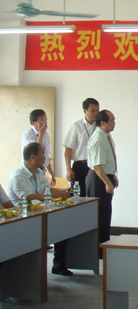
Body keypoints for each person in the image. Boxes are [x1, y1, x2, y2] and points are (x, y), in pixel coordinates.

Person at [7, 142, 72, 275]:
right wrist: (59, 194)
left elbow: (47, 190)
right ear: (32, 157)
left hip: (39, 214)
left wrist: (64, 191)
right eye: (42, 154)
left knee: (62, 227)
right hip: (22, 219)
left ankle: (59, 265)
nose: (45, 158)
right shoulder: (18, 176)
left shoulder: (39, 172)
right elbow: (31, 196)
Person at [86, 110, 118, 248]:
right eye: (112, 120)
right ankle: (97, 249)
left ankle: (104, 246)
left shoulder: (106, 136)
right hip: (98, 179)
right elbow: (97, 166)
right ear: (103, 123)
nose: (114, 123)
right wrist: (107, 182)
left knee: (105, 214)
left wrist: (113, 176)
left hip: (104, 176)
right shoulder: (99, 139)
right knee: (100, 216)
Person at [63, 97, 100, 196]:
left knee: (94, 195)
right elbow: (68, 149)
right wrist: (68, 169)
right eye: (92, 110)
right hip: (80, 165)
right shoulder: (76, 126)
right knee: (78, 196)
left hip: (95, 166)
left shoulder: (100, 126)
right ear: (85, 111)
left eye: (97, 110)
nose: (96, 113)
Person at [22, 109, 56, 186]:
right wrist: (41, 133)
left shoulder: (45, 135)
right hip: (30, 170)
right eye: (42, 120)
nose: (45, 123)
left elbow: (46, 155)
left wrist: (51, 173)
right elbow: (35, 150)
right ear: (33, 122)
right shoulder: (28, 134)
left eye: (46, 120)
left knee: (43, 190)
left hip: (41, 170)